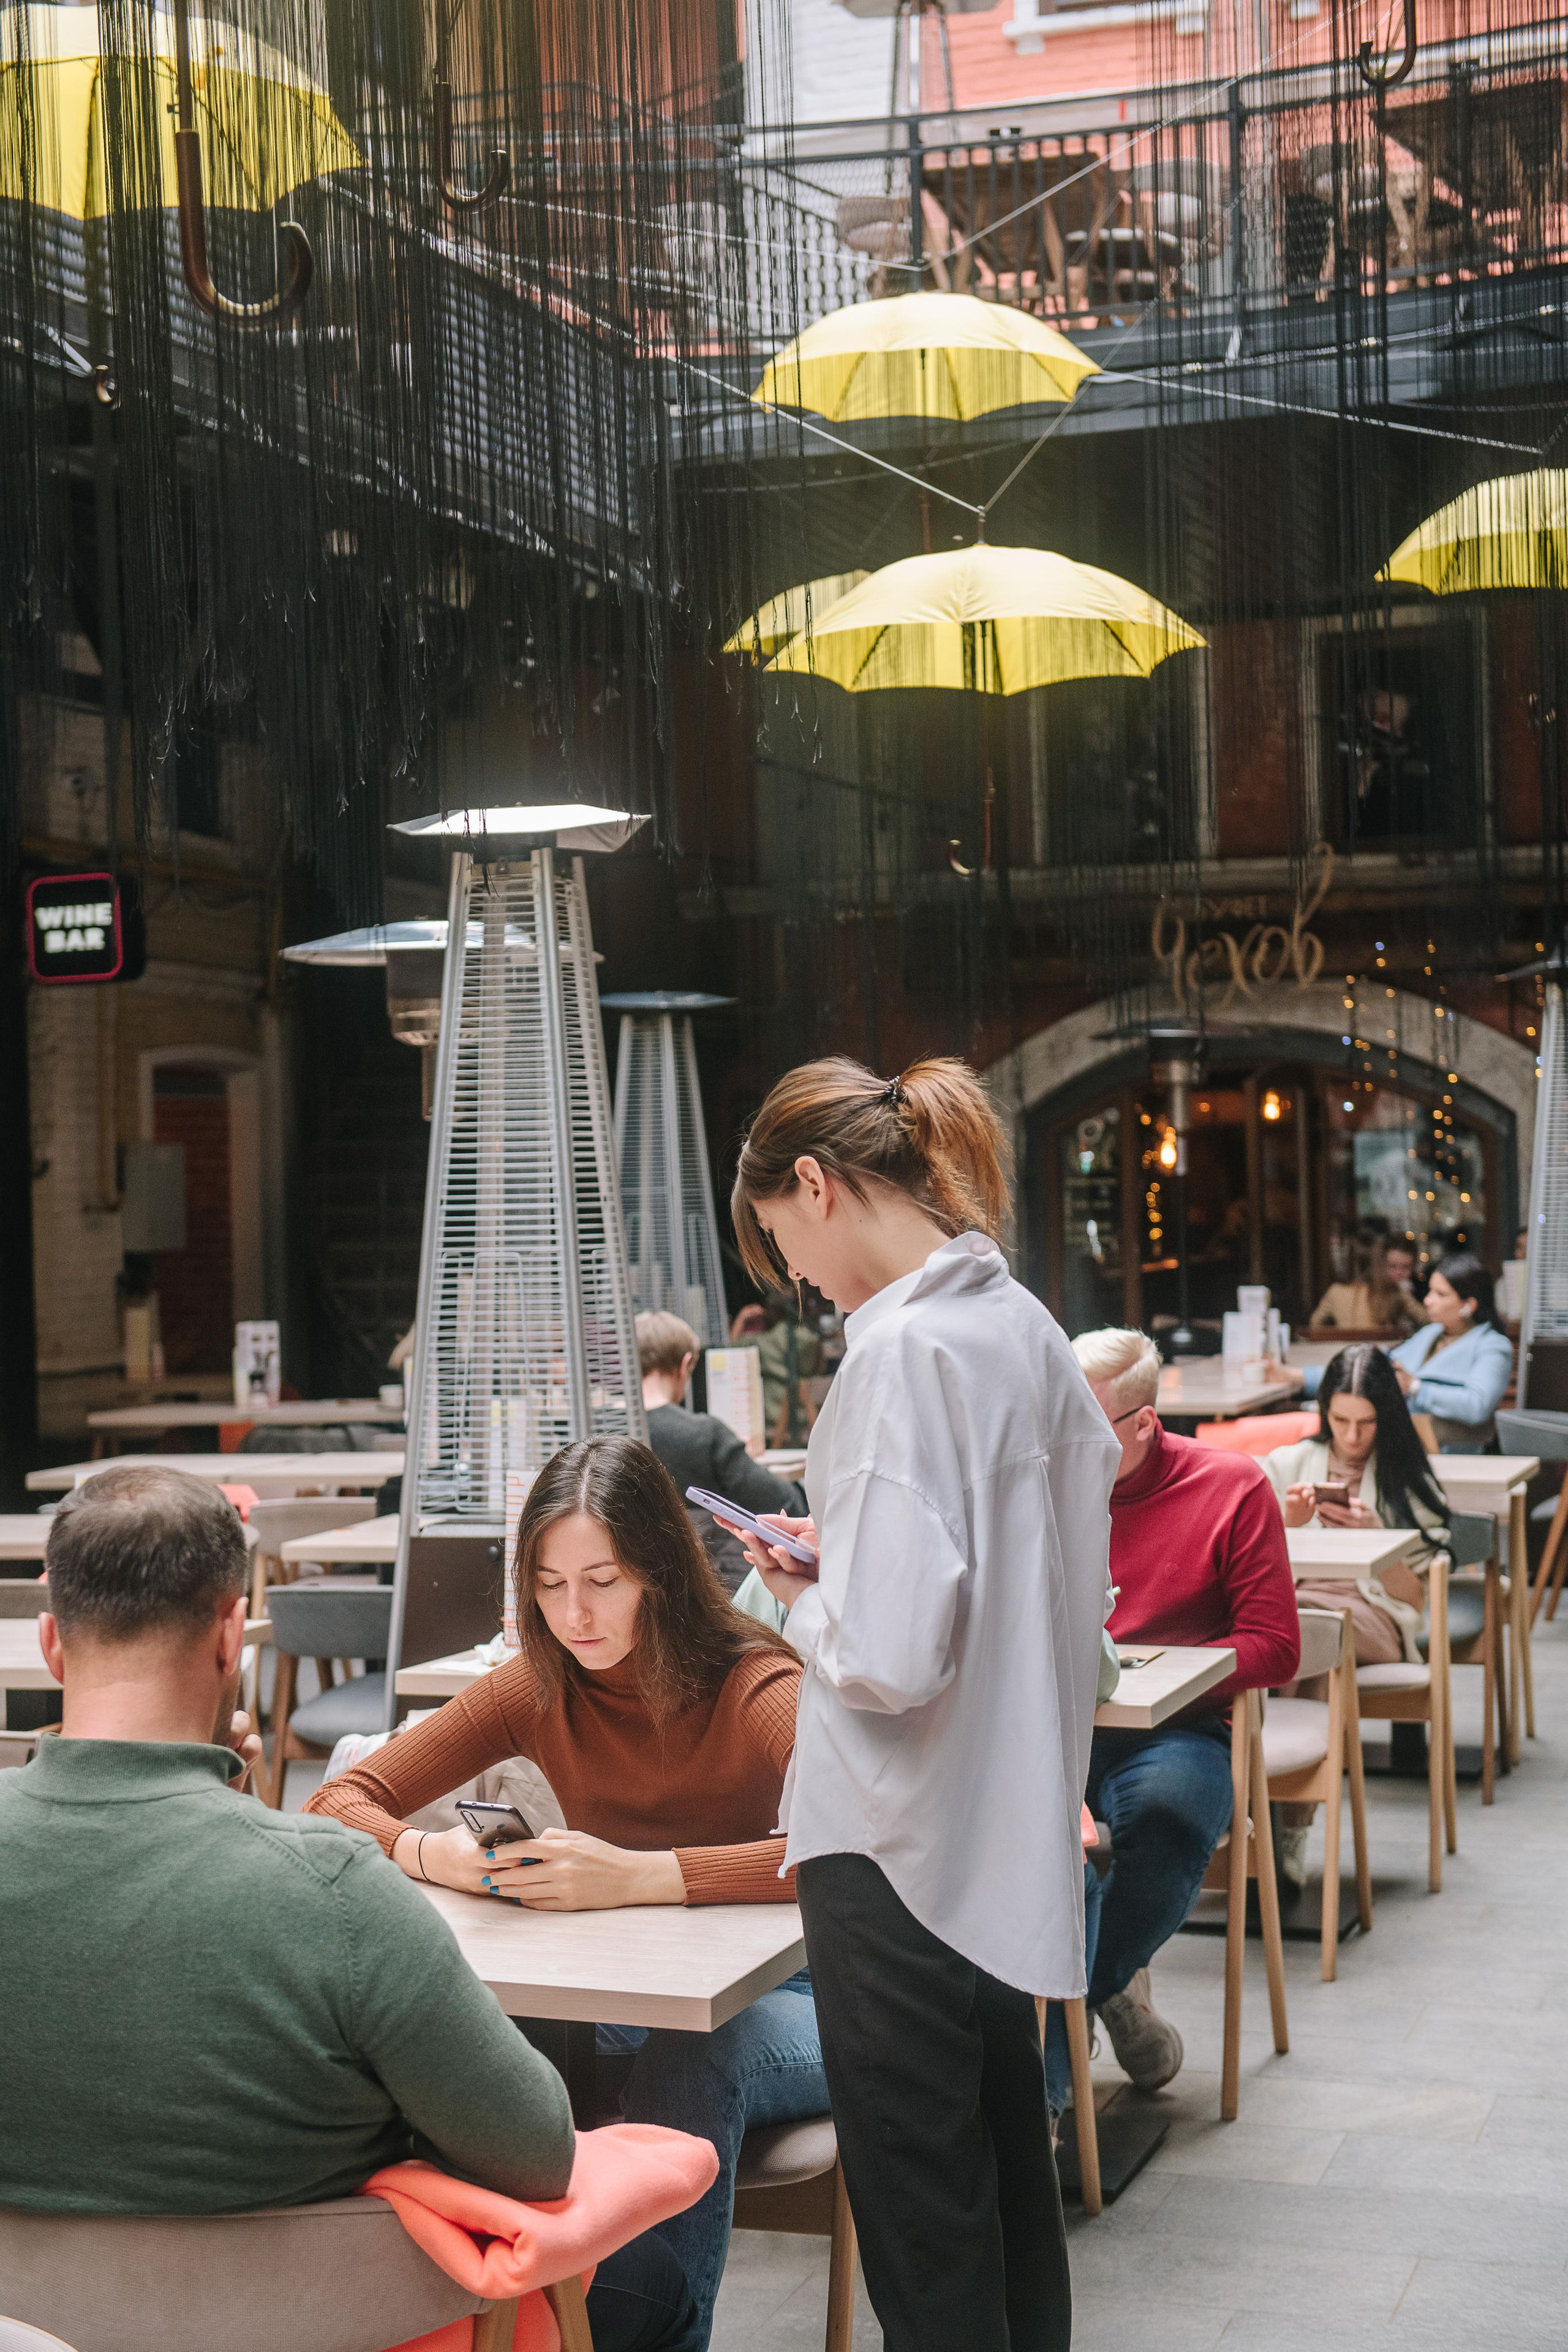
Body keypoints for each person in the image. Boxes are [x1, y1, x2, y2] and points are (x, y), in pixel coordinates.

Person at [0, 1465, 701, 2352]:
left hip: (36, 2325)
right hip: (328, 2326)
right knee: (657, 2285)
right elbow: (535, 2151)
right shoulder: (329, 1893)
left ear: (53, 1645)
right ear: (230, 1639)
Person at [728, 1055, 1115, 2352]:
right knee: (1001, 2164)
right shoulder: (1023, 1331)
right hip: (994, 1808)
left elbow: (887, 1658)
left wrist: (802, 1594)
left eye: (785, 1247)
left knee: (916, 2195)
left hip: (889, 1825)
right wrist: (846, 1558)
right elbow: (1036, 1582)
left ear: (814, 1184)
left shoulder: (895, 1351)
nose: (801, 1283)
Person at [308, 1437, 827, 2345]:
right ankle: (538, 2320)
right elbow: (339, 1798)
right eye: (548, 1585)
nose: (574, 1614)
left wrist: (646, 1877)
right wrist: (444, 1860)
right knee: (492, 2021)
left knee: (697, 2053)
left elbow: (843, 1845)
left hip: (798, 2000)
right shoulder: (539, 1684)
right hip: (643, 1995)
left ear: (659, 1574)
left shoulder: (753, 1682)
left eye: (603, 1580)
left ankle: (650, 2330)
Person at [1066, 1328, 1299, 2098]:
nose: (1064, 1439)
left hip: (1178, 1728)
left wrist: (1168, 1680)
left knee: (1166, 1818)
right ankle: (1106, 1997)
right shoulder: (1039, 1487)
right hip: (1053, 1727)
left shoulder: (1230, 1487)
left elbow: (1274, 1648)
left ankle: (1075, 2001)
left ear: (1143, 1424)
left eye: (1086, 1424)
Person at [1261, 1343, 1451, 1882]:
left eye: (1365, 1423)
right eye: (1339, 1420)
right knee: (1312, 1635)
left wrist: (1379, 1540)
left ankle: (1276, 1817)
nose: (1350, 1436)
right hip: (1301, 1609)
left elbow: (1416, 1597)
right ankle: (1283, 1821)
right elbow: (1247, 1559)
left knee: (1312, 1628)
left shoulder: (1405, 1475)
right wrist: (1287, 1522)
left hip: (1376, 1613)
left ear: (1385, 1418)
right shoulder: (1287, 1464)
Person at [636, 1310, 805, 1591]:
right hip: (704, 1592)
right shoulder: (702, 1434)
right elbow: (782, 1504)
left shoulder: (599, 1434)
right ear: (685, 1365)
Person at [1387, 1252, 1513, 1452]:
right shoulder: (1432, 1332)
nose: (1428, 1301)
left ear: (1469, 1306)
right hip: (1408, 1448)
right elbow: (1388, 1365)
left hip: (1456, 1456)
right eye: (1430, 1292)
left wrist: (1416, 1387)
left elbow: (1477, 1405)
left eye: (1441, 1294)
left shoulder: (1492, 1345)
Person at [1308, 1236, 1422, 1333]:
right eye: (1392, 1267)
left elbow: (1315, 1325)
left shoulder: (1336, 1290)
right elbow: (1428, 1318)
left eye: (1406, 1267)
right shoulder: (1397, 1292)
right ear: (1380, 1266)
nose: (1399, 1273)